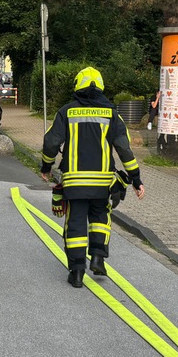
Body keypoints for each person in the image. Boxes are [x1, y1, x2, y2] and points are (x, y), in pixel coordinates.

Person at [39, 66, 145, 288]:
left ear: (77, 86)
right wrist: (135, 179)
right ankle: (98, 258)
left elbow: (51, 143)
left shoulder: (66, 112)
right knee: (100, 218)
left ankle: (77, 272)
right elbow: (124, 149)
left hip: (74, 182)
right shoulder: (112, 114)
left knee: (75, 222)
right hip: (102, 182)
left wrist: (46, 166)